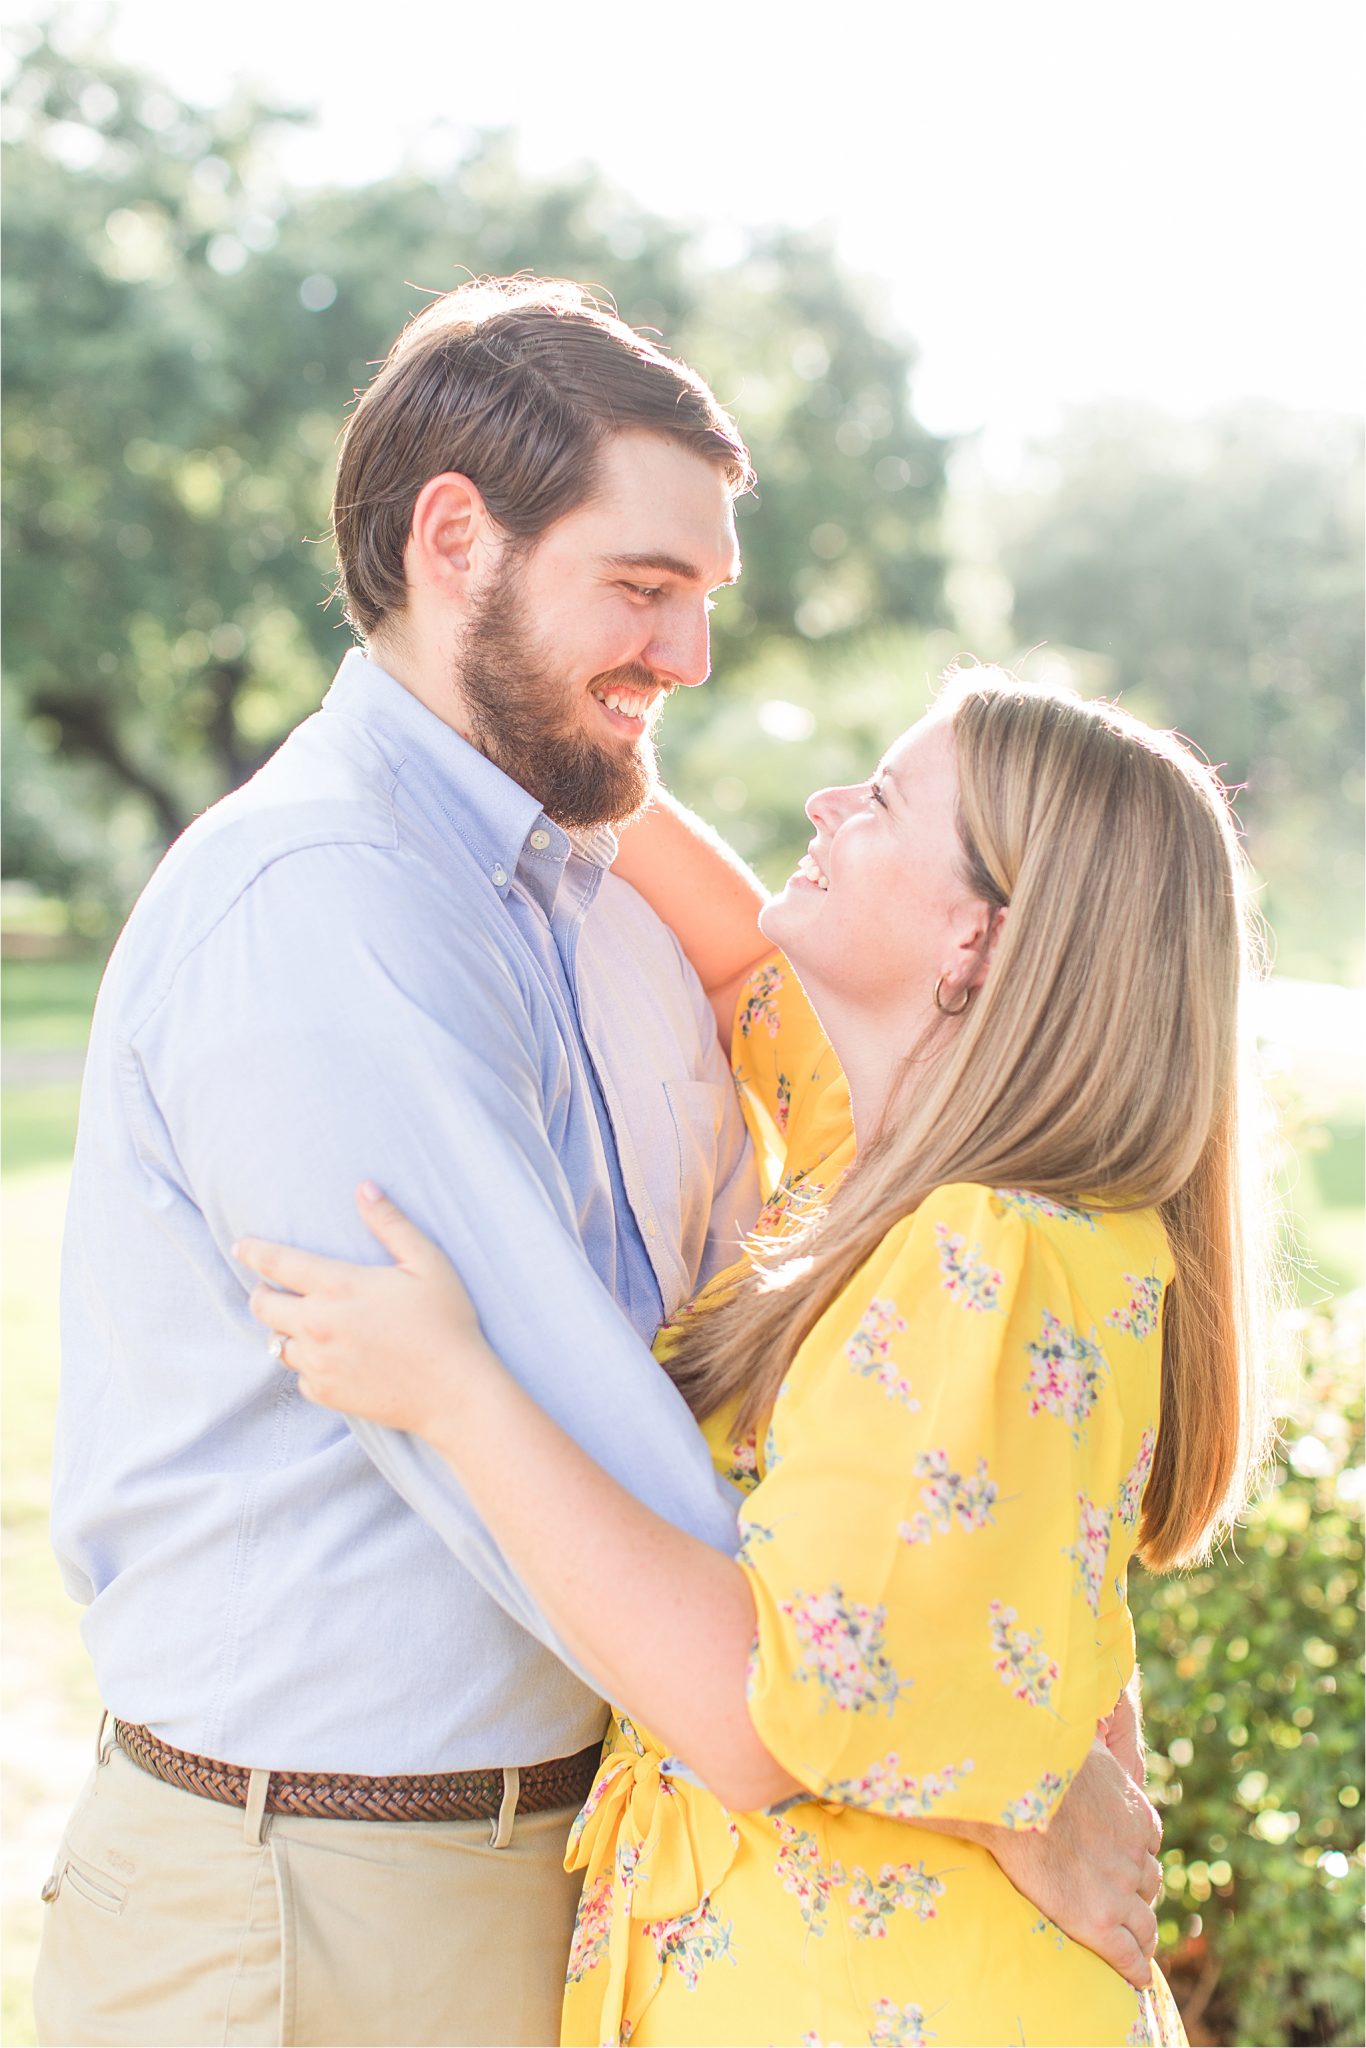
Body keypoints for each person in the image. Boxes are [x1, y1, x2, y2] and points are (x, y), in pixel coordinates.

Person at [38, 276, 1158, 2048]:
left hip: (569, 1870)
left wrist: (588, 756)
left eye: (704, 597)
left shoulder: (608, 909)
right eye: (641, 590)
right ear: (453, 537)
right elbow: (604, 1487)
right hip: (326, 1903)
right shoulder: (323, 912)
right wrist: (994, 1774)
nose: (689, 660)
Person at [237, 666, 1272, 2047]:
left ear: (977, 936)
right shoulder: (901, 1162)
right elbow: (737, 964)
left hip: (875, 2004)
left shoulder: (986, 1251)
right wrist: (538, 707)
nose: (823, 804)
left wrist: (458, 1392)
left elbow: (770, 1706)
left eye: (882, 802)